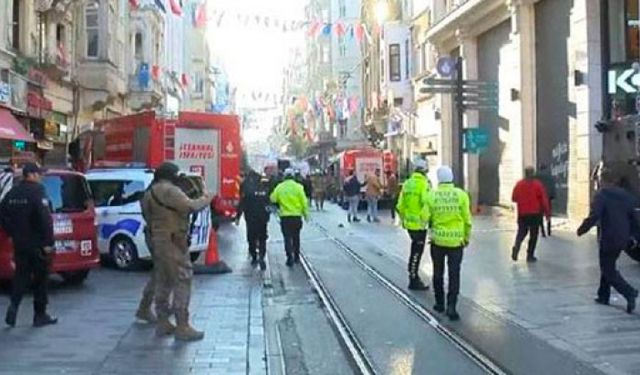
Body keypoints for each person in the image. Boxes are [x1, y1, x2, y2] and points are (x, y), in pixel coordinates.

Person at [143, 162, 213, 341]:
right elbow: (190, 206)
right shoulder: (170, 190)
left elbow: (147, 216)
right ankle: (182, 325)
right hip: (174, 240)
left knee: (163, 280)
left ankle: (163, 321)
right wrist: (207, 198)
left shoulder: (150, 192)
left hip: (157, 239)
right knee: (183, 278)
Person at [1, 163, 57, 328]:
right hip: (37, 243)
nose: (41, 177)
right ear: (31, 175)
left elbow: (2, 214)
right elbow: (45, 219)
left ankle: (13, 306)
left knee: (20, 276)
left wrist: (12, 232)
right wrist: (48, 243)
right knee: (41, 279)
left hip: (20, 243)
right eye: (39, 174)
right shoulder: (37, 191)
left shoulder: (12, 193)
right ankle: (40, 315)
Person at [577, 168, 639, 313]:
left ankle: (629, 292)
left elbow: (594, 215)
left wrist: (582, 229)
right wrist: (635, 236)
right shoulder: (626, 195)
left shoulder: (602, 195)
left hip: (608, 237)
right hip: (623, 237)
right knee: (608, 264)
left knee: (608, 269)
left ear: (602, 180)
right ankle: (603, 295)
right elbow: (634, 218)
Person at [424, 166, 472, 321]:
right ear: (451, 177)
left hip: (438, 241)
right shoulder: (461, 195)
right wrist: (466, 237)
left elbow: (424, 217)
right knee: (454, 274)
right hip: (456, 242)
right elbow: (467, 220)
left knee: (438, 272)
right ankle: (452, 306)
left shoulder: (432, 195)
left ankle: (439, 303)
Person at [396, 159, 431, 290]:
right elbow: (426, 204)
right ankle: (413, 278)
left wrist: (404, 221)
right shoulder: (424, 184)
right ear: (425, 171)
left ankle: (412, 275)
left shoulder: (407, 184)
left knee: (414, 250)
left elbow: (400, 206)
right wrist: (426, 221)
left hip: (410, 225)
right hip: (420, 226)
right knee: (417, 252)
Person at [270, 168, 309, 267]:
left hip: (285, 217)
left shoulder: (280, 187)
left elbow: (273, 198)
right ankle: (296, 256)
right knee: (296, 237)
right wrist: (306, 215)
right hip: (296, 217)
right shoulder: (298, 187)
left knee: (287, 238)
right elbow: (304, 202)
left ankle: (289, 258)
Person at [511, 167, 550, 262]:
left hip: (522, 213)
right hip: (535, 213)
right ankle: (530, 255)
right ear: (533, 174)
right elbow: (544, 200)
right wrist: (547, 213)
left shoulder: (519, 184)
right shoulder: (537, 185)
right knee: (533, 235)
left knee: (521, 232)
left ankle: (517, 246)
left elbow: (514, 198)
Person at [237, 173, 272, 271]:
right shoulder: (264, 189)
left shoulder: (247, 189)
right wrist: (267, 215)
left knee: (251, 237)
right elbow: (268, 203)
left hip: (250, 218)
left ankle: (254, 256)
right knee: (262, 238)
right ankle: (261, 255)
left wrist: (238, 216)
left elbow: (242, 203)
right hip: (262, 218)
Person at [535, 164, 556, 237]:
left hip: (540, 198)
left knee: (540, 215)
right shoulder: (550, 176)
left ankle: (543, 231)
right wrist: (552, 196)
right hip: (548, 198)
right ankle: (549, 230)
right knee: (548, 213)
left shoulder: (536, 176)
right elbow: (552, 187)